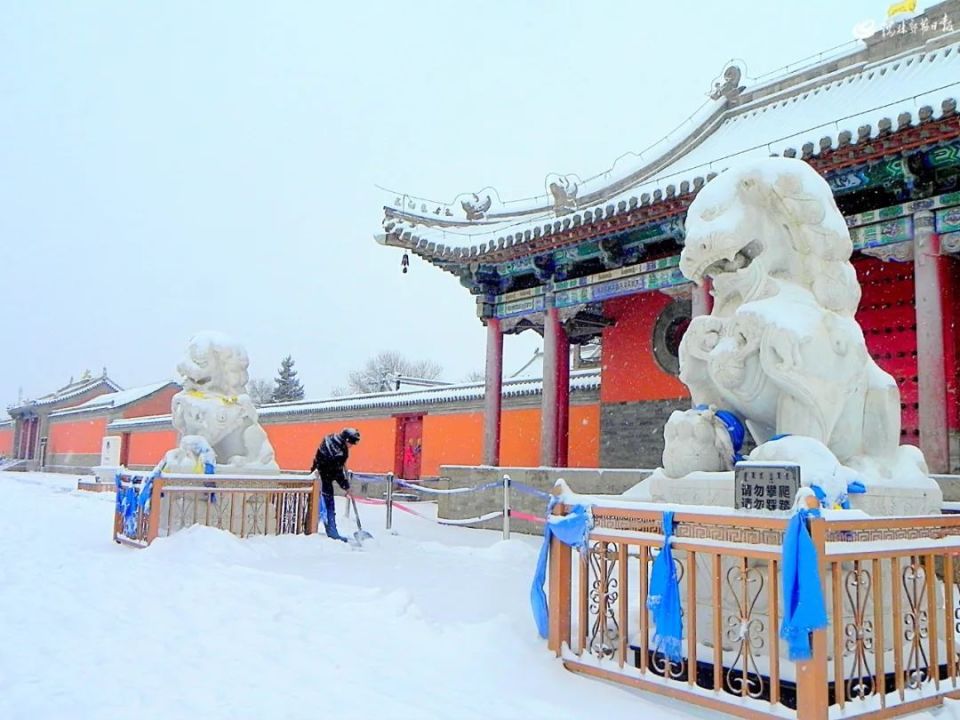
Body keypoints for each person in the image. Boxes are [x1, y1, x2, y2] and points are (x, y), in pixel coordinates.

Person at [310, 427, 360, 541]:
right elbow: (337, 471)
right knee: (328, 506)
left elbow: (319, 459)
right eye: (351, 443)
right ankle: (332, 532)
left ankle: (309, 528)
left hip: (316, 476)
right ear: (347, 440)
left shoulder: (331, 441)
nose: (351, 446)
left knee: (315, 505)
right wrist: (346, 486)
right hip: (324, 479)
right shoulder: (338, 451)